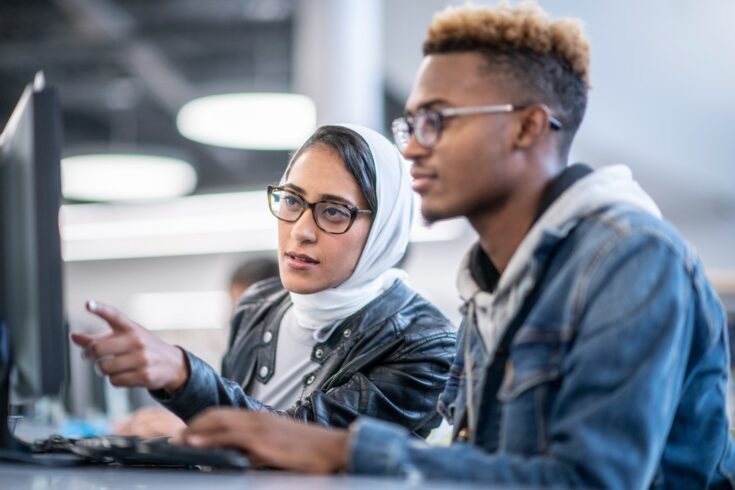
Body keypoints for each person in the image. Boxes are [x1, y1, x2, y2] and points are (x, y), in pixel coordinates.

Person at [176, 3, 735, 488]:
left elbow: (590, 481)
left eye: (438, 120)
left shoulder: (631, 259)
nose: (415, 148)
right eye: (412, 123)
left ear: (527, 127)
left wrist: (342, 449)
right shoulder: (492, 283)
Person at [71, 124, 456, 436]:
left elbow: (310, 440)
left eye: (334, 212)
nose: (301, 230)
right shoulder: (258, 304)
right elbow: (234, 455)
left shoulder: (426, 345)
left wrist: (185, 377)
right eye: (291, 200)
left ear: (383, 229)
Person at [113, 257, 280, 438]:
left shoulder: (289, 369)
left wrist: (191, 430)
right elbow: (233, 414)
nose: (237, 320)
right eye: (236, 309)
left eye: (250, 313)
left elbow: (275, 437)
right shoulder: (238, 360)